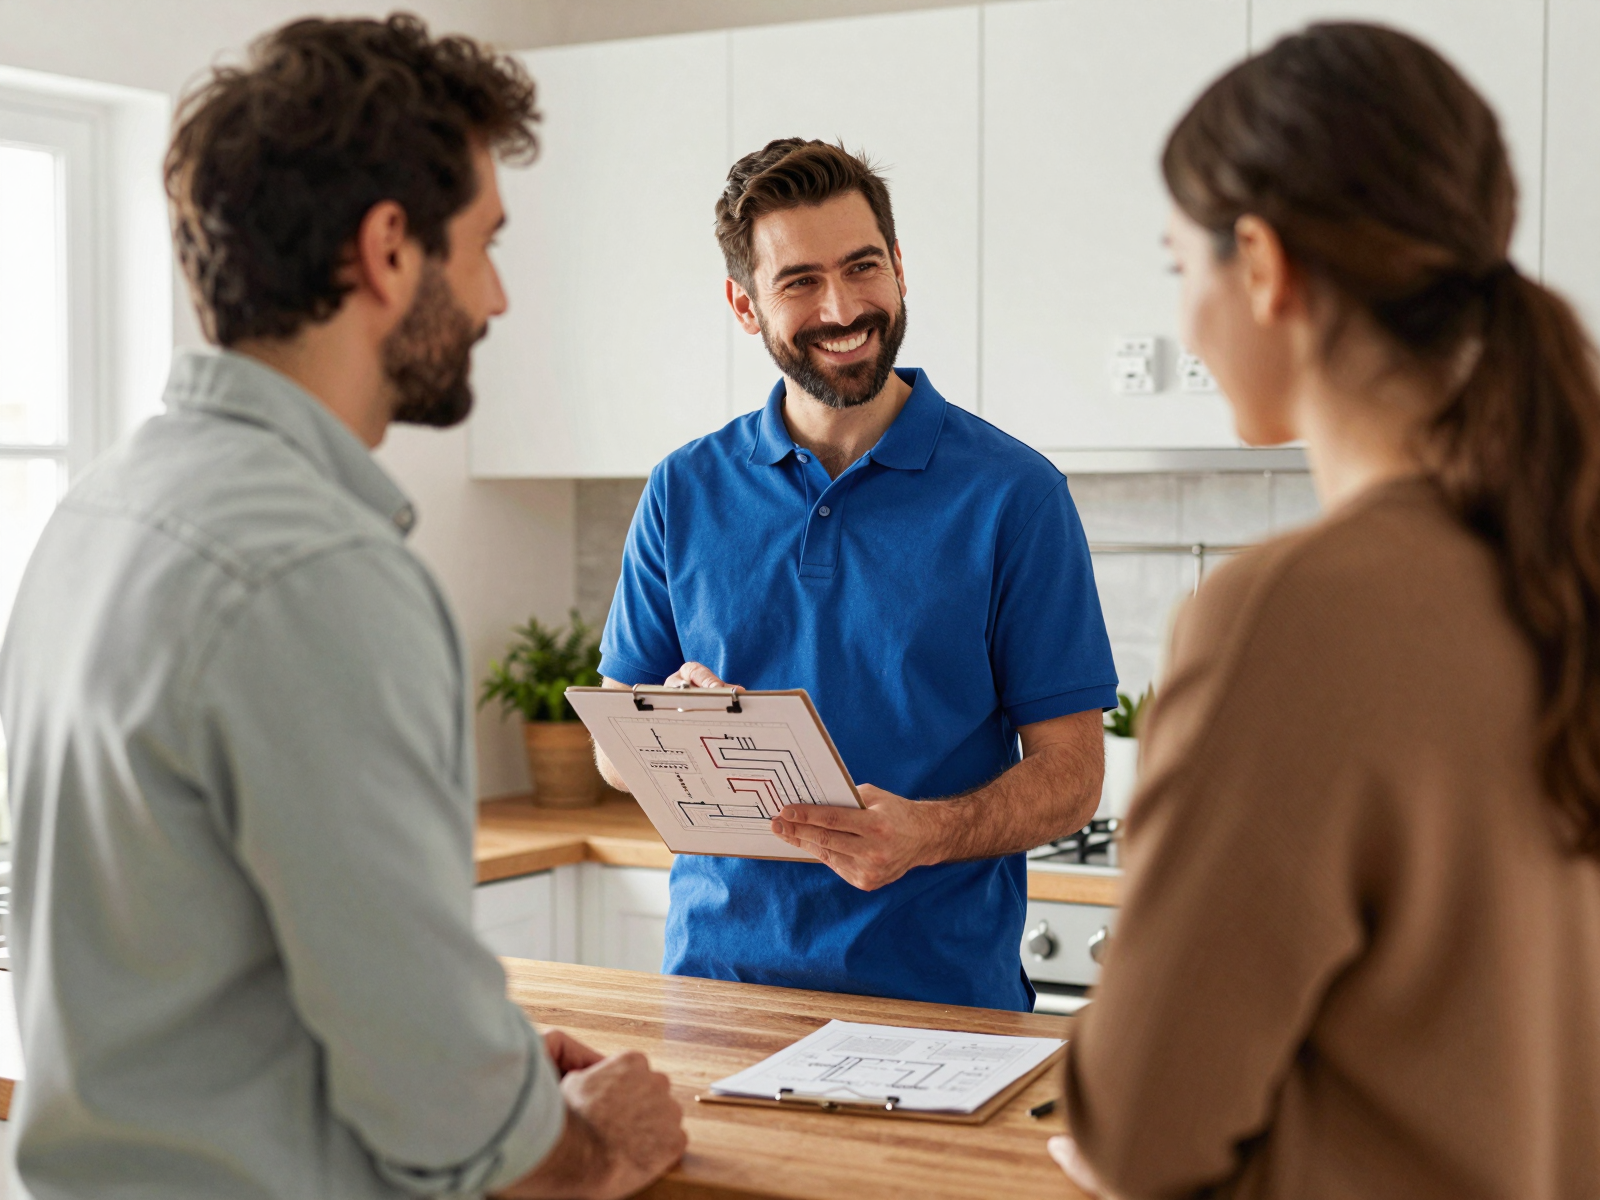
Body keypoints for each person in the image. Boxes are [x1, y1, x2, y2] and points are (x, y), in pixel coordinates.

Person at [0, 16, 685, 1200]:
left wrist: (493, 1073)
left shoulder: (99, 512)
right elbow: (458, 1130)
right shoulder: (318, 570)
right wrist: (587, 1140)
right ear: (385, 250)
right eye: (482, 245)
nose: (498, 298)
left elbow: (222, 967)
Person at [1050, 23, 1600, 1199]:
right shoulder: (1561, 562)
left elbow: (1136, 1134)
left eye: (1175, 267)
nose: (1185, 314)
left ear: (1259, 264)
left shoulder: (1285, 616)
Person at [594, 138, 1118, 1012]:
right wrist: (672, 725)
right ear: (744, 304)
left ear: (900, 269)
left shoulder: (1015, 496)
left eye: (863, 266)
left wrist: (932, 832)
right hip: (720, 993)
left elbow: (1073, 774)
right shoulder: (682, 490)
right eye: (799, 281)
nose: (843, 307)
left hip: (945, 1006)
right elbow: (614, 750)